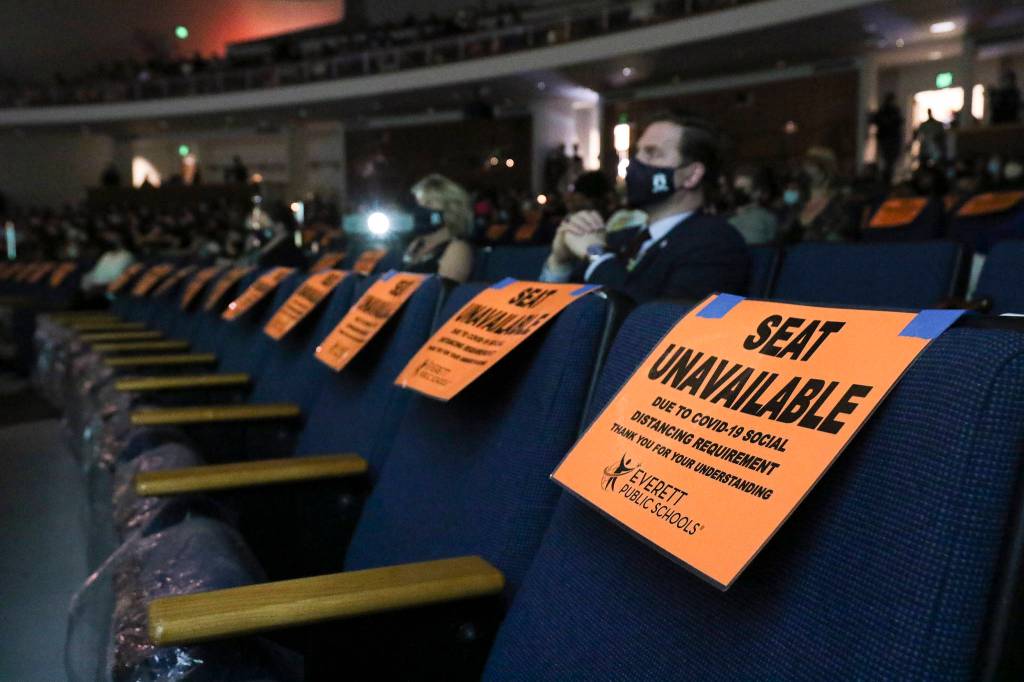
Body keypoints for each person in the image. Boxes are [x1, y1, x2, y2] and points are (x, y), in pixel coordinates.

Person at [540, 112, 749, 304]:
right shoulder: (617, 238)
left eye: (652, 153)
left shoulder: (715, 244)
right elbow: (553, 318)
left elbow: (660, 326)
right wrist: (559, 262)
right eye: (637, 152)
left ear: (691, 175)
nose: (635, 163)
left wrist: (597, 255)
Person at [402, 174, 474, 282]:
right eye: (418, 203)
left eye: (428, 203)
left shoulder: (457, 249)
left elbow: (442, 294)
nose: (420, 209)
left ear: (451, 208)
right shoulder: (416, 244)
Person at [781, 146, 853, 242]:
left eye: (811, 163)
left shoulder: (840, 191)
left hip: (826, 242)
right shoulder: (798, 188)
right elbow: (786, 212)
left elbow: (842, 223)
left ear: (824, 166)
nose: (805, 166)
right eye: (806, 163)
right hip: (801, 243)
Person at [727, 167, 778, 245]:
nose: (738, 193)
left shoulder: (767, 219)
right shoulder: (726, 219)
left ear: (757, 192)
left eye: (742, 189)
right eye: (736, 189)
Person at [870, 92, 904, 186]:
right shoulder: (885, 111)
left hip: (891, 138)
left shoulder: (892, 111)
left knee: (890, 161)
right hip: (888, 139)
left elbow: (898, 122)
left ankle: (887, 179)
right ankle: (886, 179)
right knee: (888, 160)